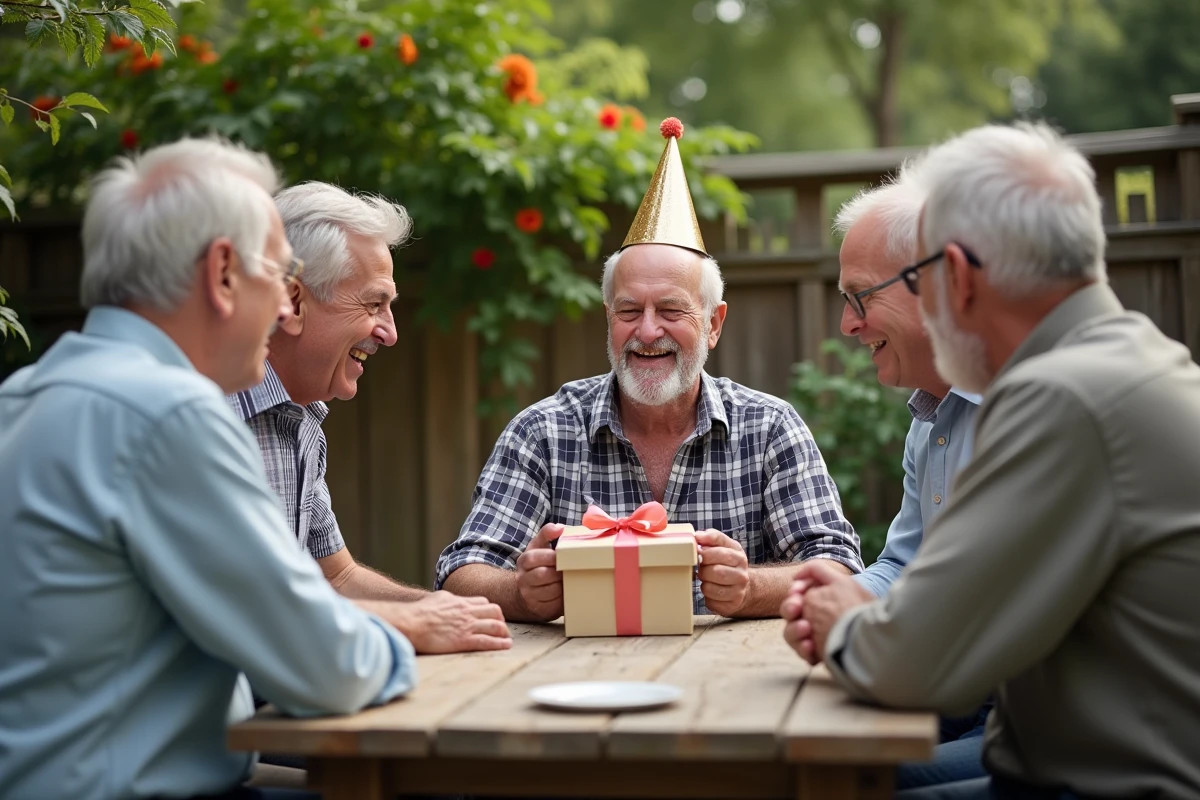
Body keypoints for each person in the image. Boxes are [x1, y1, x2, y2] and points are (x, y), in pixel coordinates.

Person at [782, 122, 1200, 798]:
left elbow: (912, 663)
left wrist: (845, 623)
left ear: (957, 276)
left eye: (921, 278)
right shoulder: (1123, 360)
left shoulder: (1067, 397)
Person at [0, 139, 416, 800]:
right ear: (223, 273)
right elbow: (326, 666)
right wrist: (408, 637)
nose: (284, 309)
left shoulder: (23, 398)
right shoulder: (168, 415)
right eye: (277, 278)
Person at [437, 118, 861, 621]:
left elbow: (838, 568)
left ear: (713, 324)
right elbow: (462, 572)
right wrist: (521, 593)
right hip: (578, 680)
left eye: (671, 310)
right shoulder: (544, 430)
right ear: (608, 319)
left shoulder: (769, 428)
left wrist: (751, 588)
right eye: (629, 311)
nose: (648, 331)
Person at [229, 182, 510, 654]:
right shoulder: (207, 415)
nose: (391, 332)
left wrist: (444, 611)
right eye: (373, 303)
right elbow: (245, 606)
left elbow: (336, 576)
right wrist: (410, 622)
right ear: (294, 302)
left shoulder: (300, 420)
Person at [835, 159, 988, 788]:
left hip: (1046, 726)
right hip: (958, 707)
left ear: (937, 282)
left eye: (859, 297)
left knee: (844, 782)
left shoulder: (1036, 412)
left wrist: (855, 632)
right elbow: (904, 565)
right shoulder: (931, 419)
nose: (846, 324)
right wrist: (839, 598)